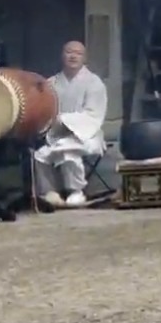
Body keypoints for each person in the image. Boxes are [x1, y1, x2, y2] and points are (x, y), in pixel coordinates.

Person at [33, 41, 108, 208]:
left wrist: (64, 120)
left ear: (84, 58)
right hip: (57, 134)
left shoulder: (94, 83)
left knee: (68, 150)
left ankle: (76, 191)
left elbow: (93, 115)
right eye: (69, 52)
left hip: (87, 135)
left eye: (78, 53)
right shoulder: (51, 84)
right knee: (40, 155)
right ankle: (50, 191)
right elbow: (45, 111)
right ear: (62, 55)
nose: (73, 56)